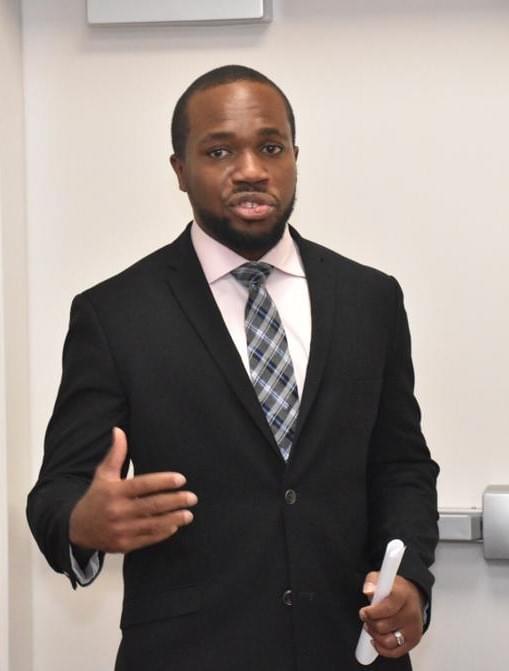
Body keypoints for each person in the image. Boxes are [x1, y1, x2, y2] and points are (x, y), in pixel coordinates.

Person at [27, 65, 439, 671]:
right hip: (187, 655)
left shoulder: (370, 299)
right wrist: (81, 523)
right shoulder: (114, 314)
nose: (250, 169)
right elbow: (58, 493)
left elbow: (401, 466)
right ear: (179, 169)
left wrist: (413, 583)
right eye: (219, 151)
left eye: (270, 148)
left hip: (348, 651)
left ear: (295, 157)